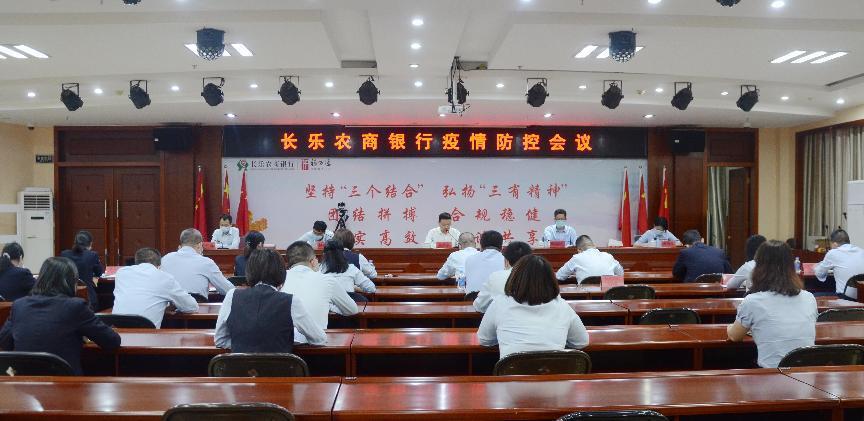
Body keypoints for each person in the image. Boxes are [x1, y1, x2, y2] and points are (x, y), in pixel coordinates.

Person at [0, 257, 120, 375]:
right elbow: (112, 341)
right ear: (71, 282)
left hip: (25, 382)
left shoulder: (19, 305)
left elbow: (4, 342)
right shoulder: (75, 306)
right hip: (66, 383)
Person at [478, 255, 589, 359]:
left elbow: (484, 340)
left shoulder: (499, 303)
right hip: (553, 372)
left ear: (514, 278)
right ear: (550, 280)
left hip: (513, 373)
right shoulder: (562, 306)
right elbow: (581, 342)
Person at [727, 240, 817, 368]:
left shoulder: (752, 301)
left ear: (758, 267)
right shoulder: (809, 298)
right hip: (806, 374)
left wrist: (729, 327)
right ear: (791, 266)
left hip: (772, 375)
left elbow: (734, 336)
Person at [215, 248, 326, 352]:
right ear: (281, 273)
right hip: (281, 365)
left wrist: (243, 346)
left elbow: (220, 340)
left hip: (239, 366)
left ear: (249, 271)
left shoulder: (232, 295)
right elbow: (319, 339)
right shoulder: (291, 301)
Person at [281, 241, 358, 343]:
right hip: (315, 346)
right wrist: (330, 306)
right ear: (313, 261)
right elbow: (352, 309)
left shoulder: (279, 279)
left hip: (282, 345)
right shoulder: (327, 280)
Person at [112, 248, 199, 328]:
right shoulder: (165, 277)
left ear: (136, 262)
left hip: (118, 332)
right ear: (159, 266)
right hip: (147, 334)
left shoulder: (121, 273)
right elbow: (191, 307)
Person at [160, 228, 235, 299]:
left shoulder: (165, 259)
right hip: (197, 306)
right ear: (199, 245)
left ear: (182, 244)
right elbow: (228, 289)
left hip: (169, 306)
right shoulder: (206, 262)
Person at [473, 241, 532, 313]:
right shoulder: (539, 277)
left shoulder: (495, 277)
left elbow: (479, 305)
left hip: (504, 319)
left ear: (506, 260)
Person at [814, 229, 864, 300]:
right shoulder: (861, 251)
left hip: (845, 298)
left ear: (834, 244)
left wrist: (815, 267)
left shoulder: (833, 253)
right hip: (862, 296)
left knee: (814, 295)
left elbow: (819, 273)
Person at [60, 230, 104, 311]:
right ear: (90, 244)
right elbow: (100, 272)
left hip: (67, 298)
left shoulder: (64, 254)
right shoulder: (92, 255)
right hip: (88, 299)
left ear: (75, 242)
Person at [555, 235, 624, 284]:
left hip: (585, 298)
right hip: (608, 297)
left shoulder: (577, 258)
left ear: (579, 250)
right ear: (594, 246)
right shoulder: (608, 256)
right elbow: (621, 273)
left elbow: (558, 276)